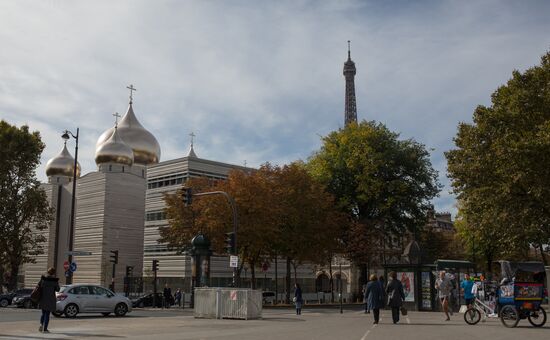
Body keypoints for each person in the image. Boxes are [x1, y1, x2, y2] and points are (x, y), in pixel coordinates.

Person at [38, 267, 60, 333]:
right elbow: (58, 289)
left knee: (43, 313)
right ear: (53, 273)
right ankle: (45, 329)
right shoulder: (54, 280)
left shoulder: (43, 279)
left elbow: (39, 286)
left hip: (43, 297)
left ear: (48, 272)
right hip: (50, 299)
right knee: (47, 314)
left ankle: (41, 324)